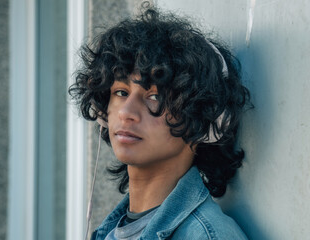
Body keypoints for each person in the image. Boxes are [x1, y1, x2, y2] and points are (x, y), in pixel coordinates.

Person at [70, 4, 251, 240]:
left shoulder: (206, 236)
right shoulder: (110, 232)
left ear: (204, 121)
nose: (126, 112)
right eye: (121, 92)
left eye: (154, 96)